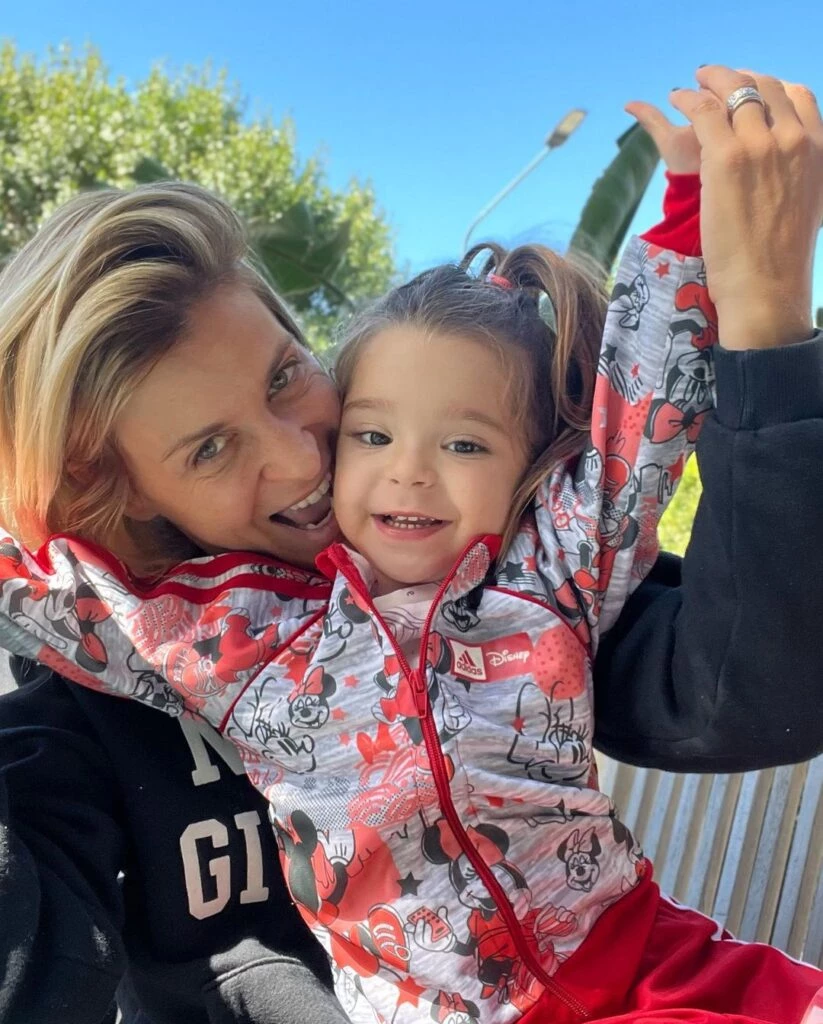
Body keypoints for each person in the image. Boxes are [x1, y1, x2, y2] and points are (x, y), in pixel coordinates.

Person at [0, 63, 821, 1024]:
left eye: (284, 379)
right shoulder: (188, 655)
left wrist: (731, 275)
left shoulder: (535, 569)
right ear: (112, 485)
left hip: (653, 970)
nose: (303, 458)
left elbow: (636, 451)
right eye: (211, 447)